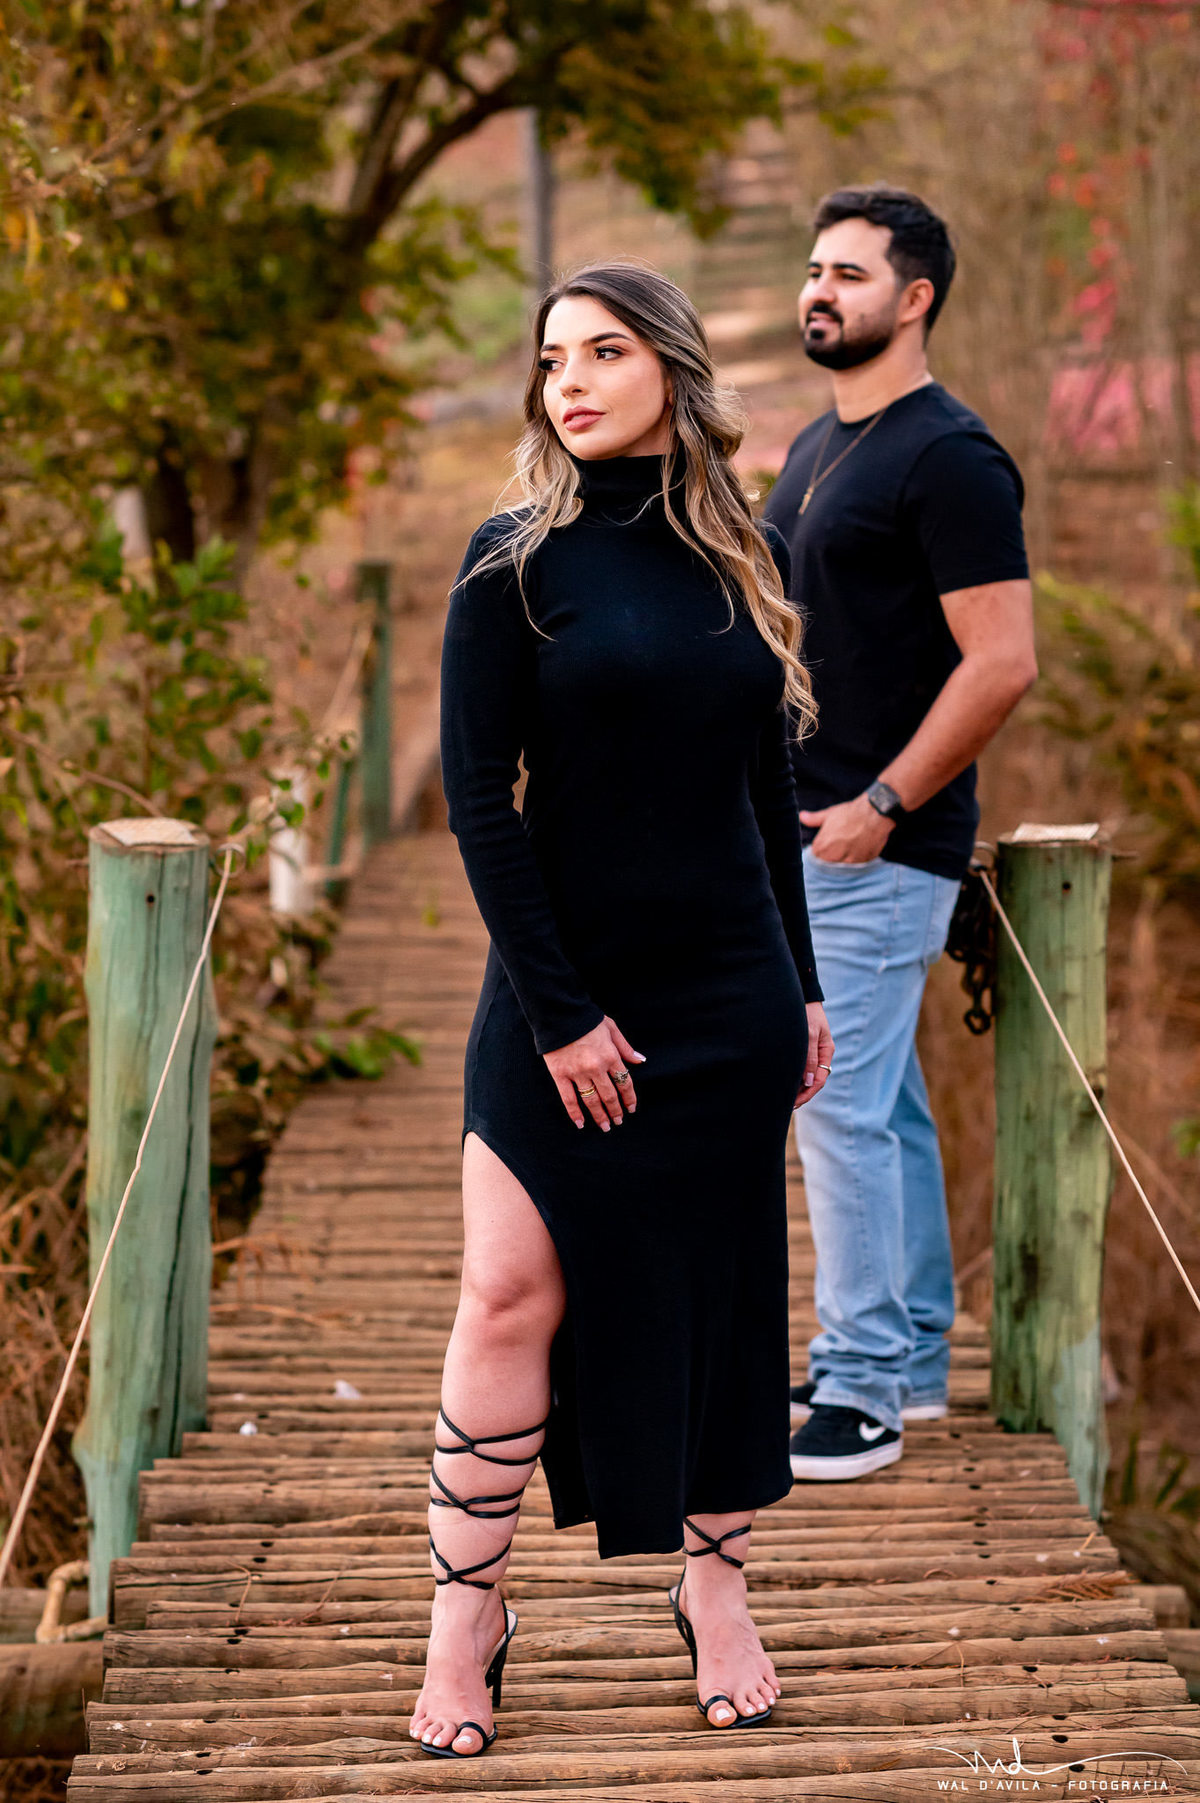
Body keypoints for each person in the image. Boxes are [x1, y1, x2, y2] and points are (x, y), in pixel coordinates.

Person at [409, 261, 834, 1759]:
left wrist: (803, 984)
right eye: (551, 360)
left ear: (670, 368)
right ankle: (466, 1617)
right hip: (558, 986)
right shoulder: (512, 561)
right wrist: (561, 1016)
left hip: (729, 993)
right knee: (506, 1291)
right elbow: (480, 803)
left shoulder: (741, 554)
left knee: (723, 1292)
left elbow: (766, 795)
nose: (569, 382)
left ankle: (716, 1589)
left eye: (601, 352)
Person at [762, 186, 1037, 1482]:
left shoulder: (951, 458)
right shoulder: (821, 442)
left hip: (871, 846)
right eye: (814, 270)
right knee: (884, 1105)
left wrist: (882, 805)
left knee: (833, 1105)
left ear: (915, 298)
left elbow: (1003, 661)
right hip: (807, 836)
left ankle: (862, 1390)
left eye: (851, 275)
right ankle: (912, 1356)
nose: (820, 291)